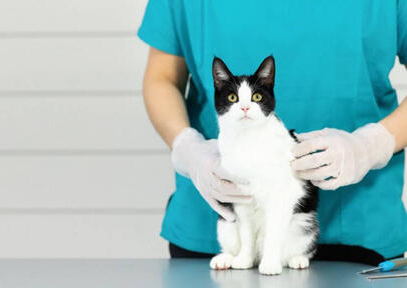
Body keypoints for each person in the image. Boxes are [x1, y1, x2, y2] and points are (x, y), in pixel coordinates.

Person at [138, 1, 407, 265]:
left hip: (361, 223)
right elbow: (162, 78)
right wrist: (187, 147)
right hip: (218, 226)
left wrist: (372, 145)